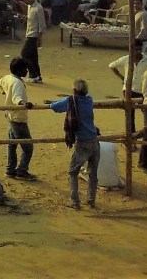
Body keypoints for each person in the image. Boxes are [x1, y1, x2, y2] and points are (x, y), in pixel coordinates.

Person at [49, 78, 100, 209]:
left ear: (74, 90)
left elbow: (55, 107)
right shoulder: (89, 100)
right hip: (94, 140)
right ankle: (91, 200)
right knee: (93, 173)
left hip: (82, 141)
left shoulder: (71, 101)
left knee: (73, 172)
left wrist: (50, 103)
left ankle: (75, 201)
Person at [0, 57, 36, 181]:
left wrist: (5, 92)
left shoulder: (7, 78)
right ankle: (22, 171)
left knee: (12, 144)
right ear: (19, 70)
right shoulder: (17, 83)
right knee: (28, 148)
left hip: (9, 115)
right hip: (18, 119)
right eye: (25, 69)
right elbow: (17, 99)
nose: (27, 71)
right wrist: (25, 103)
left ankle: (10, 169)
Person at [109, 44, 147, 134]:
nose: (137, 52)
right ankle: (131, 134)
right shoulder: (126, 59)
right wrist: (122, 78)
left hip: (142, 90)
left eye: (139, 49)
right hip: (129, 90)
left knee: (146, 112)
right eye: (135, 49)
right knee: (130, 113)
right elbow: (112, 66)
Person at [20, 0, 44, 82]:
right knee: (33, 57)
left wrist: (39, 38)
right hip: (29, 33)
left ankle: (33, 74)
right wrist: (25, 18)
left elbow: (41, 24)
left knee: (24, 54)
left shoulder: (39, 8)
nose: (26, 1)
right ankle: (37, 75)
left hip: (34, 36)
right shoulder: (29, 7)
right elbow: (30, 19)